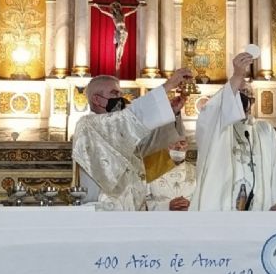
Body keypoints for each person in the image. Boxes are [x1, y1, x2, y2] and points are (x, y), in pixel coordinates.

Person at [72, 68, 192, 211]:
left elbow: (149, 142)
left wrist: (172, 112)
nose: (120, 98)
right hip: (102, 210)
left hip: (132, 210)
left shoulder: (124, 131)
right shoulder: (88, 125)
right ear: (96, 99)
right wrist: (169, 85)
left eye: (120, 94)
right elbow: (127, 118)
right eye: (114, 93)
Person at [190, 52, 276, 211]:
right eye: (239, 94)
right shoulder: (218, 128)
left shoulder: (265, 130)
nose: (244, 99)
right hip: (222, 213)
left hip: (260, 212)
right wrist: (237, 75)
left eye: (248, 96)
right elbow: (210, 112)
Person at [145, 138, 196, 211]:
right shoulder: (150, 171)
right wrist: (166, 207)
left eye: (182, 143)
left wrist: (192, 206)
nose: (178, 146)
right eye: (173, 142)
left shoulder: (196, 171)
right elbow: (142, 203)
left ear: (187, 146)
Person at [92, 1, 139, 74]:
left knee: (122, 45)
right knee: (119, 46)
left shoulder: (123, 16)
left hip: (124, 32)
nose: (116, 10)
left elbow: (131, 12)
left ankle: (119, 58)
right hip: (118, 32)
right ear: (113, 10)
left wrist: (137, 8)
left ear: (119, 9)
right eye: (115, 9)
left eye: (117, 8)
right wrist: (98, 6)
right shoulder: (113, 16)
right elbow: (103, 12)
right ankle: (118, 59)